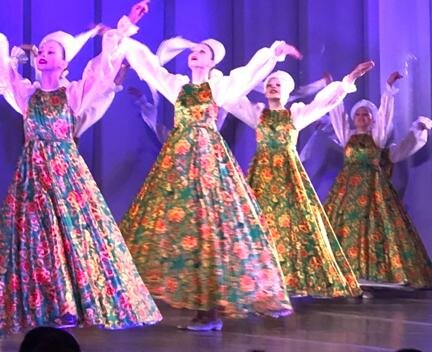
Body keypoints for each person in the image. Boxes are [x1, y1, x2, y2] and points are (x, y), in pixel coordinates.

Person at [0, 0, 161, 338]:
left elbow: (103, 69)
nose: (44, 54)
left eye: (52, 51)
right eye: (42, 50)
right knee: (34, 240)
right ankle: (37, 305)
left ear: (64, 62)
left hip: (66, 176)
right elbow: (0, 66)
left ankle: (69, 304)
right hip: (32, 178)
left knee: (71, 237)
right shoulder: (26, 94)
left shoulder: (73, 94)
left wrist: (126, 22)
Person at [119, 28, 298, 330]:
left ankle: (211, 309)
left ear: (213, 61)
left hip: (208, 161)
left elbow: (247, 75)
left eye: (202, 51)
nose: (195, 53)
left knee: (210, 227)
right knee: (184, 228)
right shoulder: (178, 86)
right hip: (179, 163)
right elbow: (150, 67)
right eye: (194, 50)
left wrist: (273, 53)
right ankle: (201, 306)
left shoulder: (219, 87)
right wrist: (124, 38)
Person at [225, 62, 373, 298]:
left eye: (278, 85)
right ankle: (255, 277)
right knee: (256, 222)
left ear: (286, 91)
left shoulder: (295, 114)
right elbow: (231, 98)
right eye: (270, 84)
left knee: (294, 224)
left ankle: (293, 278)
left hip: (287, 175)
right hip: (261, 174)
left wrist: (349, 80)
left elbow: (324, 103)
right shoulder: (258, 113)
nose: (273, 87)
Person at [324, 71, 432, 287]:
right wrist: (332, 89)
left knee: (376, 225)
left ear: (372, 119)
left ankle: (378, 270)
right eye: (358, 115)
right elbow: (337, 114)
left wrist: (389, 89)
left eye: (366, 115)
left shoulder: (377, 137)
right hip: (347, 188)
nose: (361, 118)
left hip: (373, 187)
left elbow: (385, 115)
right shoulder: (347, 136)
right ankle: (343, 269)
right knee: (343, 225)